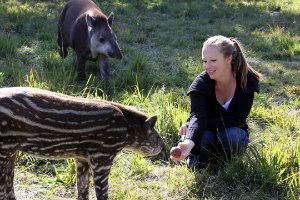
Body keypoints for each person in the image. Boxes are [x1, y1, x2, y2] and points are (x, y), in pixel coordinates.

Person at [170, 35, 263, 168]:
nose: (207, 66)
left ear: (228, 59)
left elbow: (238, 119)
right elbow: (198, 116)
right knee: (201, 137)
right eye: (204, 61)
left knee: (234, 137)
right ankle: (198, 157)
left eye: (213, 60)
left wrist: (192, 125)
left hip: (231, 132)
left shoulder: (247, 80)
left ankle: (226, 163)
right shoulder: (200, 84)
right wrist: (190, 140)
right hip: (206, 133)